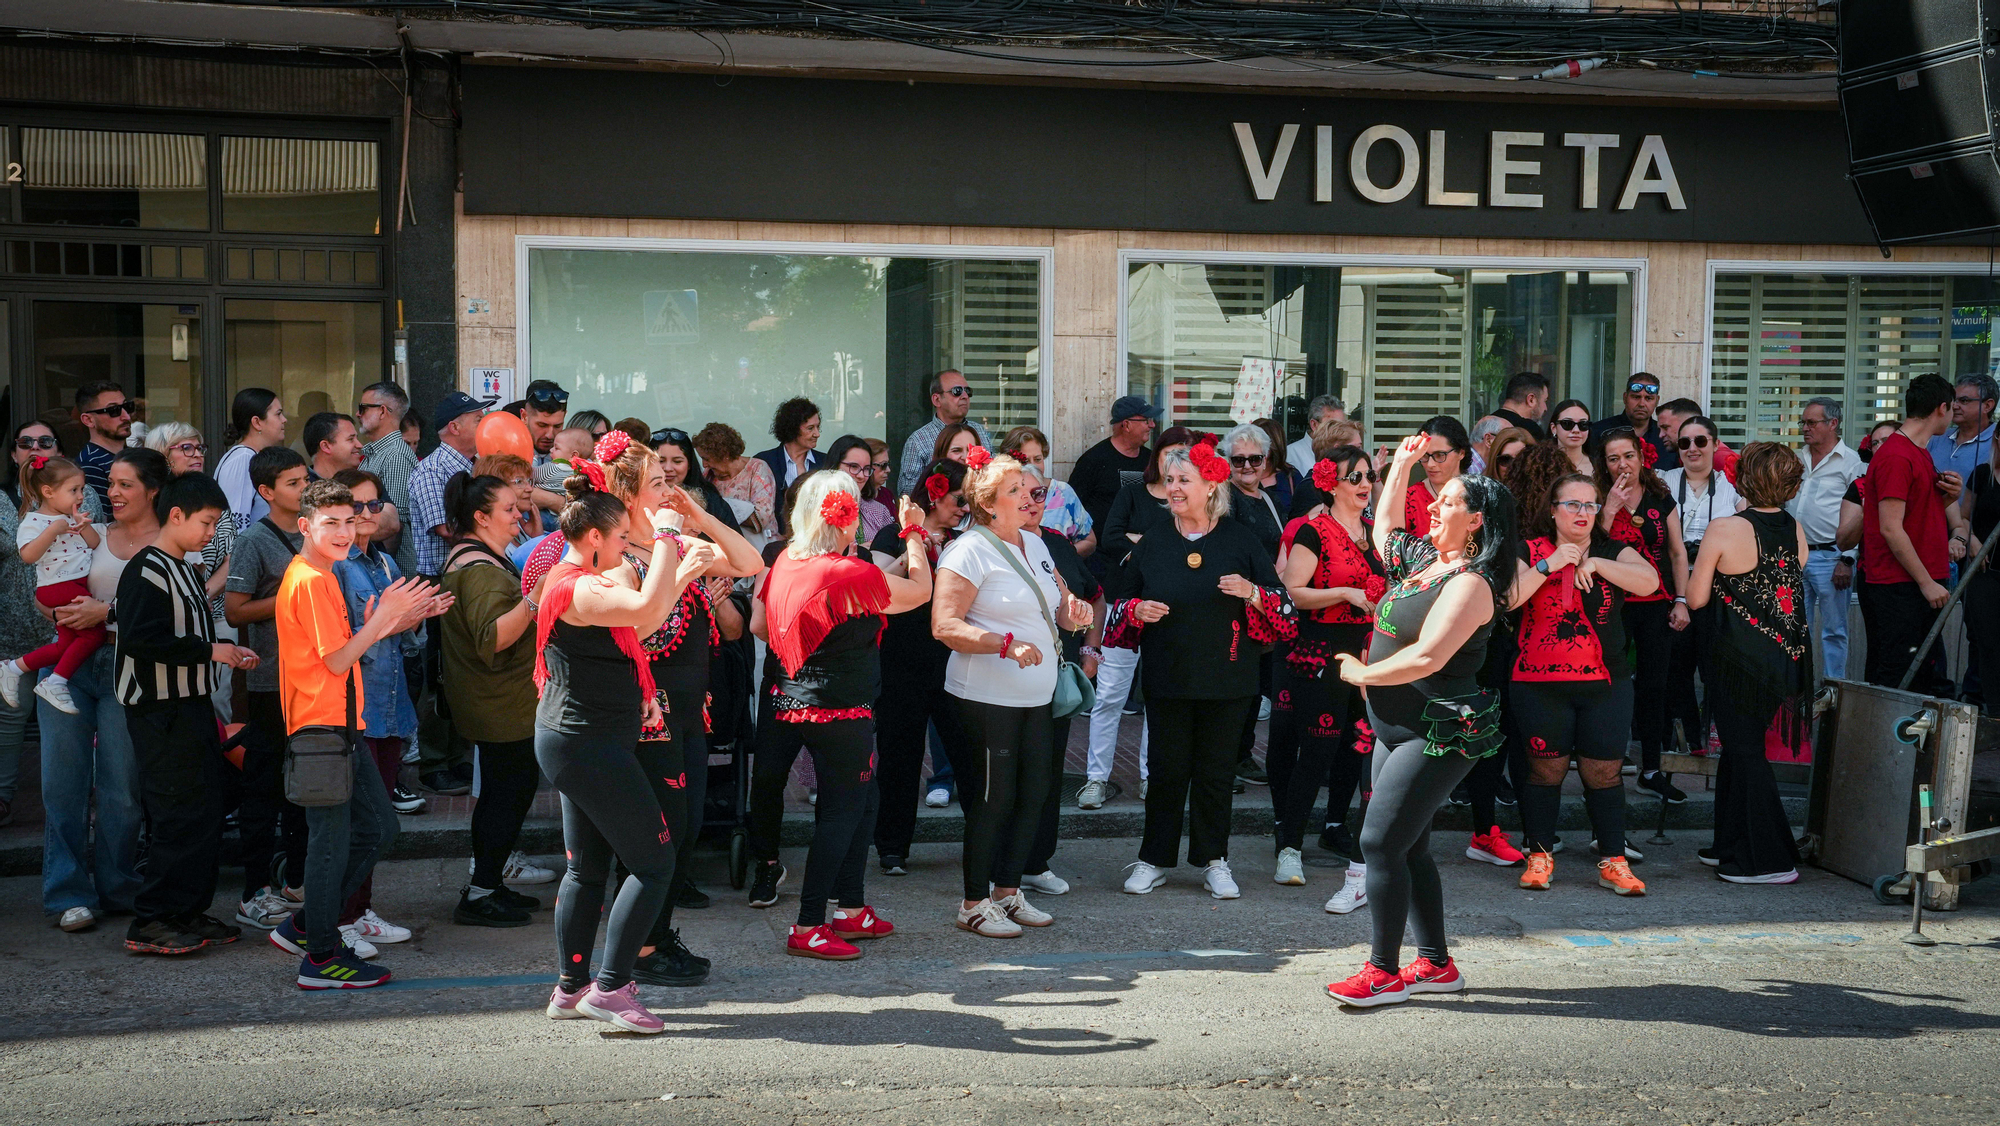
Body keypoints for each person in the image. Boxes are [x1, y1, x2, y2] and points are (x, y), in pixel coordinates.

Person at [1322, 434, 1514, 1008]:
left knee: (1379, 843)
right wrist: (1401, 467)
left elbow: (1429, 656)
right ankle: (1437, 964)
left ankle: (1383, 973)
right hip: (1395, 728)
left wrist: (1362, 674)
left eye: (1448, 501)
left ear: (1476, 519)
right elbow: (1383, 532)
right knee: (1410, 847)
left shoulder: (1473, 584)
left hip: (1438, 730)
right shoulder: (1429, 563)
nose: (1433, 506)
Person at [532, 458, 706, 1034]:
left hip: (579, 739)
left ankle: (570, 986)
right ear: (593, 540)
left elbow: (640, 624)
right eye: (622, 538)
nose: (629, 545)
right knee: (655, 863)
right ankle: (611, 989)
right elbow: (649, 611)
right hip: (585, 744)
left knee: (587, 868)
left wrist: (668, 569)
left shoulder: (583, 578)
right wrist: (668, 536)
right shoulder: (577, 588)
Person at [267, 478, 444, 989]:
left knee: (376, 830)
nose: (344, 532)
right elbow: (339, 658)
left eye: (350, 521)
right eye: (331, 523)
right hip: (320, 729)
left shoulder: (319, 574)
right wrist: (386, 618)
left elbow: (344, 648)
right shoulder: (312, 579)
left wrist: (393, 620)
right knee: (332, 844)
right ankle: (321, 956)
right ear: (306, 526)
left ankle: (306, 926)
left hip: (340, 725)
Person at [598, 430, 760, 980]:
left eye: (671, 480)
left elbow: (748, 562)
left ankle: (657, 934)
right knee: (657, 835)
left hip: (690, 708)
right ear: (628, 495)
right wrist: (682, 561)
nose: (669, 489)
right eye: (657, 483)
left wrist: (698, 514)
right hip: (647, 710)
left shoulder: (679, 542)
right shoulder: (618, 556)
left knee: (686, 828)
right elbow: (640, 627)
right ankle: (641, 949)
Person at [751, 470, 929, 961]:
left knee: (863, 804)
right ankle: (809, 924)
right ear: (849, 517)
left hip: (791, 698)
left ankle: (850, 909)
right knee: (843, 814)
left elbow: (759, 624)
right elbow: (920, 592)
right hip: (840, 709)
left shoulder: (785, 558)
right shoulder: (848, 571)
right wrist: (913, 531)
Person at [1105, 441, 1296, 898]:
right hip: (1168, 676)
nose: (1173, 489)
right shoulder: (1154, 538)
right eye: (1169, 480)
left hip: (1229, 678)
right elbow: (1118, 606)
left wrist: (1252, 592)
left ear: (1210, 487)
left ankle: (1215, 860)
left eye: (1182, 481)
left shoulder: (1238, 539)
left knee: (1215, 774)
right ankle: (1153, 859)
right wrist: (1137, 609)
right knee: (1166, 771)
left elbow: (1284, 608)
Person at [932, 450, 1092, 936]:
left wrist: (1075, 614)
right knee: (992, 798)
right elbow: (944, 625)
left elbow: (1059, 609)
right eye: (1016, 491)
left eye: (1032, 489)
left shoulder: (1036, 544)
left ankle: (1007, 891)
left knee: (1034, 794)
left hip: (1037, 695)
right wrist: (1003, 644)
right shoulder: (968, 550)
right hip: (984, 696)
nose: (1030, 496)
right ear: (989, 502)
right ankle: (973, 902)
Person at [115, 472, 260, 954]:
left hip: (190, 707)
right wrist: (210, 652)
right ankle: (153, 920)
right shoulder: (146, 569)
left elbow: (183, 639)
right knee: (178, 813)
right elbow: (140, 640)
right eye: (206, 522)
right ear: (175, 516)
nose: (210, 533)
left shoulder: (183, 567)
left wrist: (220, 652)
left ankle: (186, 911)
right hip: (160, 711)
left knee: (202, 810)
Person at [1509, 472, 1659, 897]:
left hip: (1606, 683)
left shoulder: (1614, 548)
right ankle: (1539, 855)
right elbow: (1507, 599)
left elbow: (1649, 581)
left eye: (1590, 505)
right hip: (1538, 682)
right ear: (1553, 509)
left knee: (1604, 773)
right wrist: (1549, 565)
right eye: (1571, 504)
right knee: (1546, 770)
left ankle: (1613, 860)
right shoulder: (1528, 550)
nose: (1581, 513)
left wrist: (1596, 564)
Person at [37, 448, 168, 934]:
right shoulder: (87, 533)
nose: (111, 492)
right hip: (67, 667)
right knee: (61, 786)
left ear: (152, 489)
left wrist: (105, 615)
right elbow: (45, 585)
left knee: (121, 788)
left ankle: (117, 886)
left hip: (127, 666)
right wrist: (53, 612)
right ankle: (67, 894)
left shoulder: (171, 542)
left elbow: (174, 616)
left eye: (125, 484)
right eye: (110, 483)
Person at [1686, 443, 1809, 885]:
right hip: (1779, 658)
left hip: (1734, 660)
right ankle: (1728, 845)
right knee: (1741, 754)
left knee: (1745, 754)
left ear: (1743, 479)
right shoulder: (1794, 527)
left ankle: (1770, 860)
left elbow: (1696, 598)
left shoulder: (1725, 528)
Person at [1268, 448, 1383, 910]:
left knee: (1361, 750)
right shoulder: (1314, 532)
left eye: (1369, 475)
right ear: (1330, 482)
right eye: (1353, 476)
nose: (1363, 482)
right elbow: (1292, 591)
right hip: (1321, 651)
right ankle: (1289, 847)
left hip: (1370, 654)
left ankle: (1343, 836)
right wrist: (1347, 592)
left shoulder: (1377, 534)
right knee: (1315, 750)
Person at [437, 472, 548, 927]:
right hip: (500, 704)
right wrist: (537, 596)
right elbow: (493, 638)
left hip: (502, 700)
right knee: (507, 794)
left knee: (507, 793)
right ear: (480, 518)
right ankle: (481, 892)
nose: (518, 514)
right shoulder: (480, 572)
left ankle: (490, 885)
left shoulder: (480, 559)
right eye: (507, 509)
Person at [1079, 426, 1197, 808]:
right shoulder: (1132, 493)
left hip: (1170, 612)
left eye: (1185, 454)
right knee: (1110, 695)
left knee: (1157, 699)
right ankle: (1096, 778)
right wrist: (1155, 547)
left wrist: (1139, 543)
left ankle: (1151, 777)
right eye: (1170, 452)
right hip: (1123, 606)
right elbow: (1110, 537)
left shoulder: (1189, 503)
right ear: (1156, 455)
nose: (1176, 461)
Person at [868, 458, 970, 877]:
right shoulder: (892, 533)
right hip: (899, 663)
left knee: (968, 754)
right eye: (959, 499)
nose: (965, 508)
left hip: (953, 662)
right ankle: (892, 847)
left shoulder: (966, 539)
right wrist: (914, 543)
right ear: (936, 492)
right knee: (899, 757)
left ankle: (983, 844)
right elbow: (872, 585)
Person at [223, 444, 311, 930]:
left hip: (314, 679)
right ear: (266, 491)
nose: (303, 490)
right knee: (263, 788)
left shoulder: (316, 532)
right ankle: (253, 891)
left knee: (306, 785)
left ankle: (296, 880)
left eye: (305, 480)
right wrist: (288, 598)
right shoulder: (255, 539)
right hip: (269, 681)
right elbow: (236, 610)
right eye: (293, 483)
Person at [1013, 462, 1097, 897]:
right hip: (1000, 677)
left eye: (1039, 495)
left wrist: (1089, 647)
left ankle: (1036, 861)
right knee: (1004, 773)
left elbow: (1091, 599)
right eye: (1020, 494)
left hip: (1054, 674)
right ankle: (995, 867)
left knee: (1046, 771)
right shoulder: (981, 545)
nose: (1030, 504)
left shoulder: (1057, 543)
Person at [1598, 427, 1692, 803]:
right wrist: (1609, 508)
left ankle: (1651, 770)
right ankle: (1604, 768)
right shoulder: (1596, 498)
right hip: (1610, 606)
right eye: (1613, 458)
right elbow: (1591, 546)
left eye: (1628, 455)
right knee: (1609, 686)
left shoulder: (1660, 499)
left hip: (1655, 604)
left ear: (1641, 455)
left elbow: (1677, 553)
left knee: (1655, 686)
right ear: (1604, 465)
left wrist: (1682, 600)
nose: (1623, 464)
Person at [329, 469, 428, 822]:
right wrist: (390, 622)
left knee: (380, 817)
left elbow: (403, 629)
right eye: (357, 504)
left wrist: (419, 612)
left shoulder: (384, 561)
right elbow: (338, 640)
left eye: (374, 503)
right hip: (355, 705)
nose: (368, 512)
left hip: (391, 699)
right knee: (364, 822)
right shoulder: (334, 566)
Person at [408, 391, 491, 797]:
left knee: (465, 669)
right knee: (438, 671)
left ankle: (459, 756)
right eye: (478, 419)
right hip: (438, 581)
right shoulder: (431, 471)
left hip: (473, 577)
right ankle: (433, 762)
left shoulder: (478, 466)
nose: (485, 427)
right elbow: (445, 529)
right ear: (454, 427)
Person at [1860, 373, 1965, 693]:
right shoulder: (1897, 455)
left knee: (1927, 675)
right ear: (1942, 408)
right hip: (1901, 584)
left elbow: (1915, 514)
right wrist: (1925, 582)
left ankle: (1914, 742)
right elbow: (1890, 527)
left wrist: (1949, 495)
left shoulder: (1919, 452)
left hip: (1919, 580)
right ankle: (1884, 743)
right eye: (1953, 408)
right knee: (1898, 674)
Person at [1659, 414, 1743, 754]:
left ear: (1714, 444)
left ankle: (1712, 738)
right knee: (1674, 668)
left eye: (1700, 441)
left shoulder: (1731, 487)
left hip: (1716, 588)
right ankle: (1682, 737)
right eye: (1684, 442)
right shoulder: (1662, 481)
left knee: (1712, 666)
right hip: (1671, 585)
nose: (1692, 449)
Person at [1, 456, 105, 715]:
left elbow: (95, 545)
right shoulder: (34, 521)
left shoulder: (70, 518)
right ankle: (56, 682)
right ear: (48, 492)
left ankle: (13, 668)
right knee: (95, 634)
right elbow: (27, 555)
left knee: (64, 645)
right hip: (58, 587)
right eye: (74, 490)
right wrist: (52, 531)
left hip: (75, 584)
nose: (81, 495)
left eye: (82, 488)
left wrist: (83, 527)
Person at [0, 423, 57, 827]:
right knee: (11, 716)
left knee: (69, 717)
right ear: (15, 453)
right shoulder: (1, 500)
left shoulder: (83, 493)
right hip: (12, 631)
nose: (35, 448)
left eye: (45, 441)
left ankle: (79, 801)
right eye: (26, 443)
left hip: (66, 626)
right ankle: (3, 799)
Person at [1223, 422, 1284, 786]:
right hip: (1236, 604)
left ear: (1266, 460)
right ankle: (1227, 758)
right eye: (1238, 460)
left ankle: (1240, 755)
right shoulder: (1225, 497)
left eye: (1255, 459)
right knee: (1236, 686)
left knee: (1253, 686)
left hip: (1265, 604)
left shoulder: (1269, 500)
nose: (1247, 466)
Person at [1789, 397, 1863, 683]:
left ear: (1833, 424)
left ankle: (1834, 690)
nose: (1805, 428)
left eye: (1811, 422)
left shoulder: (1851, 462)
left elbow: (1860, 513)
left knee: (1834, 630)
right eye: (1803, 422)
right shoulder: (1797, 458)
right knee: (1795, 626)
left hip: (1832, 557)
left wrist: (1848, 558)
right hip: (1796, 554)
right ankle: (1798, 687)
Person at [1071, 395, 1159, 549]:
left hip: (1145, 550)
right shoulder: (1093, 460)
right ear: (1126, 425)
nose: (1152, 425)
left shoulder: (1152, 460)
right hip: (1104, 555)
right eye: (1146, 420)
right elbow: (1072, 506)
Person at [357, 381, 419, 585]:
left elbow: (394, 525)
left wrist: (384, 573)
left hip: (391, 575)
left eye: (363, 408)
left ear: (383, 411)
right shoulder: (375, 453)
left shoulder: (395, 455)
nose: (358, 414)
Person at [1000, 426, 1095, 557]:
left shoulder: (1063, 492)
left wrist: (1062, 556)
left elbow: (1089, 541)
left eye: (1038, 459)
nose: (1033, 465)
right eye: (1025, 461)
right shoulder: (1004, 495)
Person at [898, 369, 991, 496]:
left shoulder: (979, 431)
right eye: (956, 391)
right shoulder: (918, 440)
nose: (964, 396)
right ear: (937, 400)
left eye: (968, 391)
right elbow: (907, 493)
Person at [214, 388, 287, 531]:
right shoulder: (243, 459)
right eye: (278, 414)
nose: (284, 419)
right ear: (257, 422)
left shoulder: (250, 456)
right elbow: (234, 526)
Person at [696, 421, 777, 539]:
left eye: (706, 458)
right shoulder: (709, 475)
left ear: (724, 455)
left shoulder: (757, 469)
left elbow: (762, 517)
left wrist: (722, 509)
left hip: (760, 545)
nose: (704, 464)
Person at [1404, 416, 1471, 539]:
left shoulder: (1478, 494)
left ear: (1461, 453)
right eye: (1424, 456)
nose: (1430, 464)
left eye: (1440, 455)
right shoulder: (1409, 499)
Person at [74, 381, 133, 520]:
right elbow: (101, 524)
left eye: (127, 407)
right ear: (88, 420)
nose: (126, 417)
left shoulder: (134, 456)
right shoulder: (89, 465)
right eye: (113, 410)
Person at [1929, 374, 1997, 491]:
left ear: (1987, 405)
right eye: (1954, 400)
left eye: (1964, 400)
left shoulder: (1996, 441)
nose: (1954, 406)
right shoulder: (1939, 436)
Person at [755, 397, 824, 510]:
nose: (817, 434)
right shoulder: (764, 462)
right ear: (792, 428)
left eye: (818, 427)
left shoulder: (825, 462)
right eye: (810, 428)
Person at [826, 434, 894, 543]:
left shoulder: (879, 511)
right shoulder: (816, 509)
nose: (861, 476)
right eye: (853, 466)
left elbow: (891, 550)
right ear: (835, 465)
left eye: (867, 469)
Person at [1592, 373, 1668, 466]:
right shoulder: (1600, 432)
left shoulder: (1666, 437)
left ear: (1657, 401)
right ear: (1625, 398)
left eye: (1648, 398)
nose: (1641, 404)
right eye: (1636, 397)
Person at [1285, 395, 1346, 477]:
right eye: (1332, 425)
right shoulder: (1290, 455)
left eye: (1342, 426)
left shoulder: (1345, 451)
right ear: (1314, 425)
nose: (1339, 430)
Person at [304, 412, 364, 482]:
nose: (360, 445)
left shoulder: (361, 485)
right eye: (350, 439)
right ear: (326, 446)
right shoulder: (304, 490)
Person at [1494, 372, 1550, 440]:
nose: (1545, 408)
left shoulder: (1484, 424)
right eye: (1545, 401)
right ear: (1531, 400)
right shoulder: (1530, 431)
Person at [1549, 399, 1594, 475]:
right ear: (1554, 428)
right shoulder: (1540, 464)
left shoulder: (1599, 465)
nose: (1576, 430)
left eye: (1583, 424)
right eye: (1567, 423)